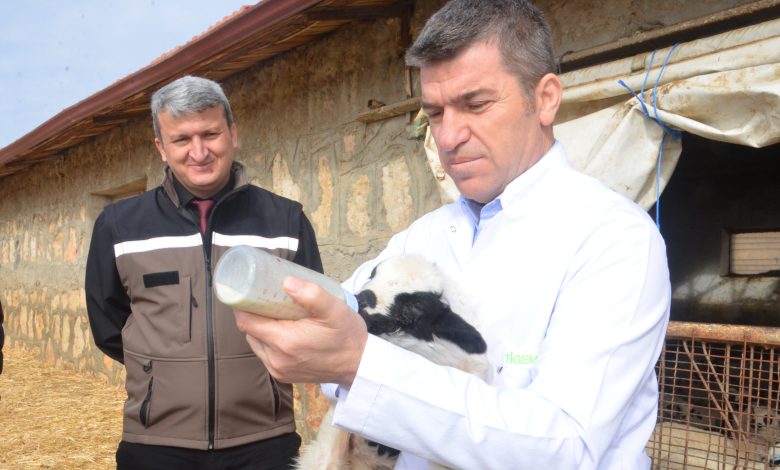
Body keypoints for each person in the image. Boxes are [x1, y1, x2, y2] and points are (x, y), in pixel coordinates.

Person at [233, 0, 671, 468]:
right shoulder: (420, 239)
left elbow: (564, 446)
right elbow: (341, 339)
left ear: (544, 99)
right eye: (435, 113)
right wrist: (320, 340)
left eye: (475, 104)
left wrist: (360, 365)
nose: (448, 136)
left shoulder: (613, 238)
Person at [85, 75, 323, 470]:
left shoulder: (286, 219)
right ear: (161, 147)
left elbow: (308, 312)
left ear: (232, 133)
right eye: (181, 139)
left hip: (265, 442)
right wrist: (163, 373)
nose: (199, 151)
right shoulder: (119, 225)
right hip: (156, 445)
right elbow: (109, 326)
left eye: (210, 133)